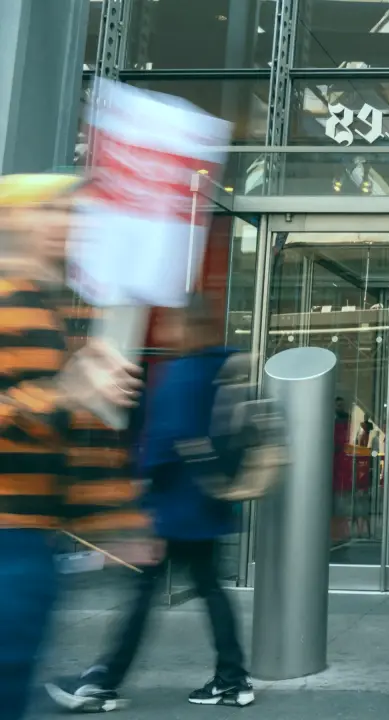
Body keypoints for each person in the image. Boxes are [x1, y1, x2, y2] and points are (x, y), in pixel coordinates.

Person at [48, 298, 255, 712]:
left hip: (171, 507)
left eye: (172, 325)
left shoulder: (181, 373)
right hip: (206, 505)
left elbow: (164, 442)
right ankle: (233, 679)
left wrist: (142, 504)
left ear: (188, 330)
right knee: (210, 589)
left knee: (143, 594)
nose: (164, 332)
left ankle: (104, 681)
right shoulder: (221, 370)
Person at [0, 173, 145, 719]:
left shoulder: (50, 311)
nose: (71, 224)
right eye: (55, 211)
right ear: (15, 221)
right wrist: (66, 391)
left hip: (29, 544)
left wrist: (118, 520)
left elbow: (68, 436)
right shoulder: (9, 301)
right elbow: (43, 407)